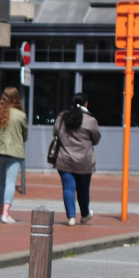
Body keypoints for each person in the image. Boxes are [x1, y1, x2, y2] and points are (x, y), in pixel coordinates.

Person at [52, 93, 101, 226]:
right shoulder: (90, 120)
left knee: (68, 188)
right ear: (86, 104)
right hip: (84, 161)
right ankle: (84, 214)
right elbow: (96, 139)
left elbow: (55, 131)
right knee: (83, 189)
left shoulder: (62, 117)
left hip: (65, 159)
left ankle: (71, 217)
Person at [0, 87, 28, 224]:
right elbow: (25, 135)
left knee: (0, 182)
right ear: (17, 98)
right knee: (10, 182)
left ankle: (0, 212)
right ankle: (6, 213)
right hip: (14, 152)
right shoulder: (20, 115)